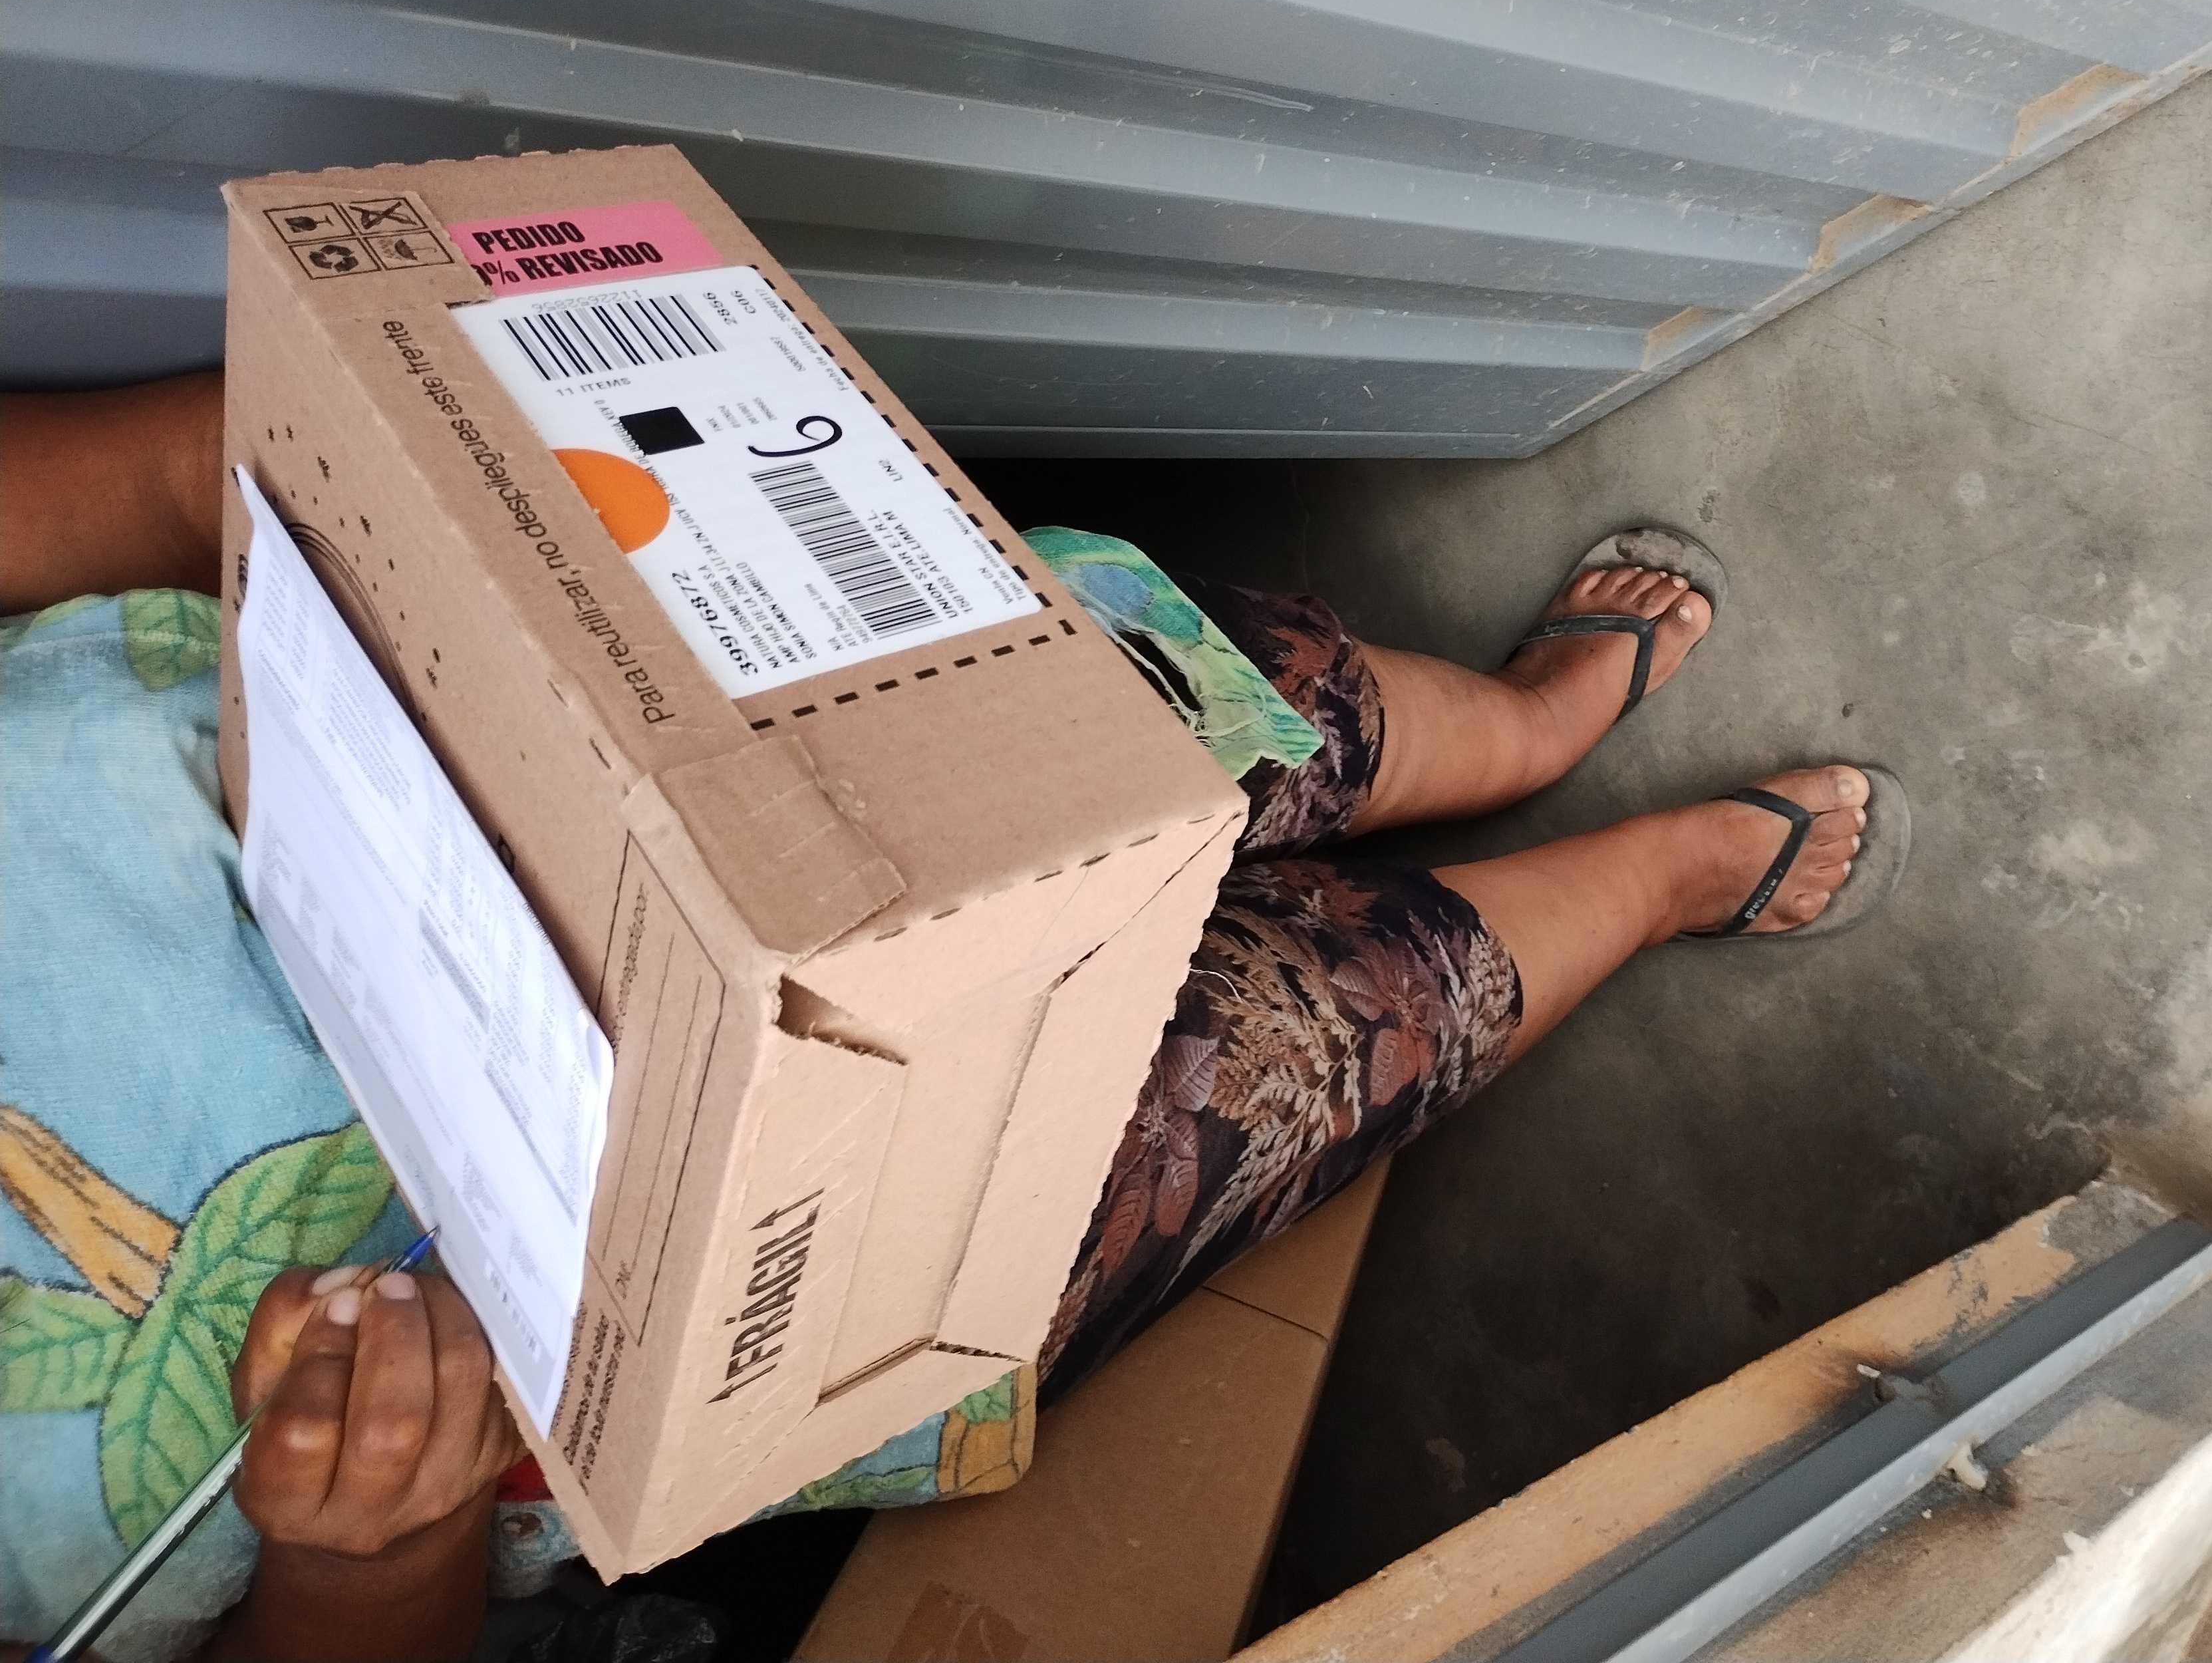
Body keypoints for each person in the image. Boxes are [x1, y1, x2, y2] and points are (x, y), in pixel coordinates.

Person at [1, 374, 1895, 1663]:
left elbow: (217, 458)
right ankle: (1655, 881)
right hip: (712, 1294)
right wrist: (374, 1544)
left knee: (1153, 705)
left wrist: (546, 621)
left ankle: (1526, 730)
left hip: (598, 784)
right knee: (1259, 1069)